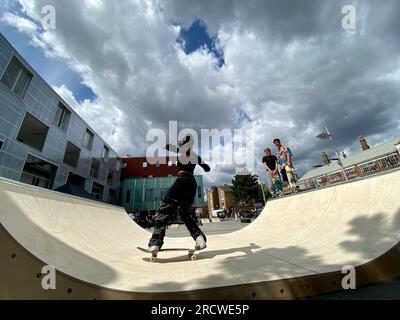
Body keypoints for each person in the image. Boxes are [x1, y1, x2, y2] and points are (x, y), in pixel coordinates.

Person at [147, 135, 211, 253]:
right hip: (192, 183)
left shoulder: (181, 150)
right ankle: (199, 239)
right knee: (186, 214)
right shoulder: (195, 156)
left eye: (180, 143)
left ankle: (155, 243)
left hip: (182, 180)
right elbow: (207, 168)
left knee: (164, 210)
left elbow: (168, 147)